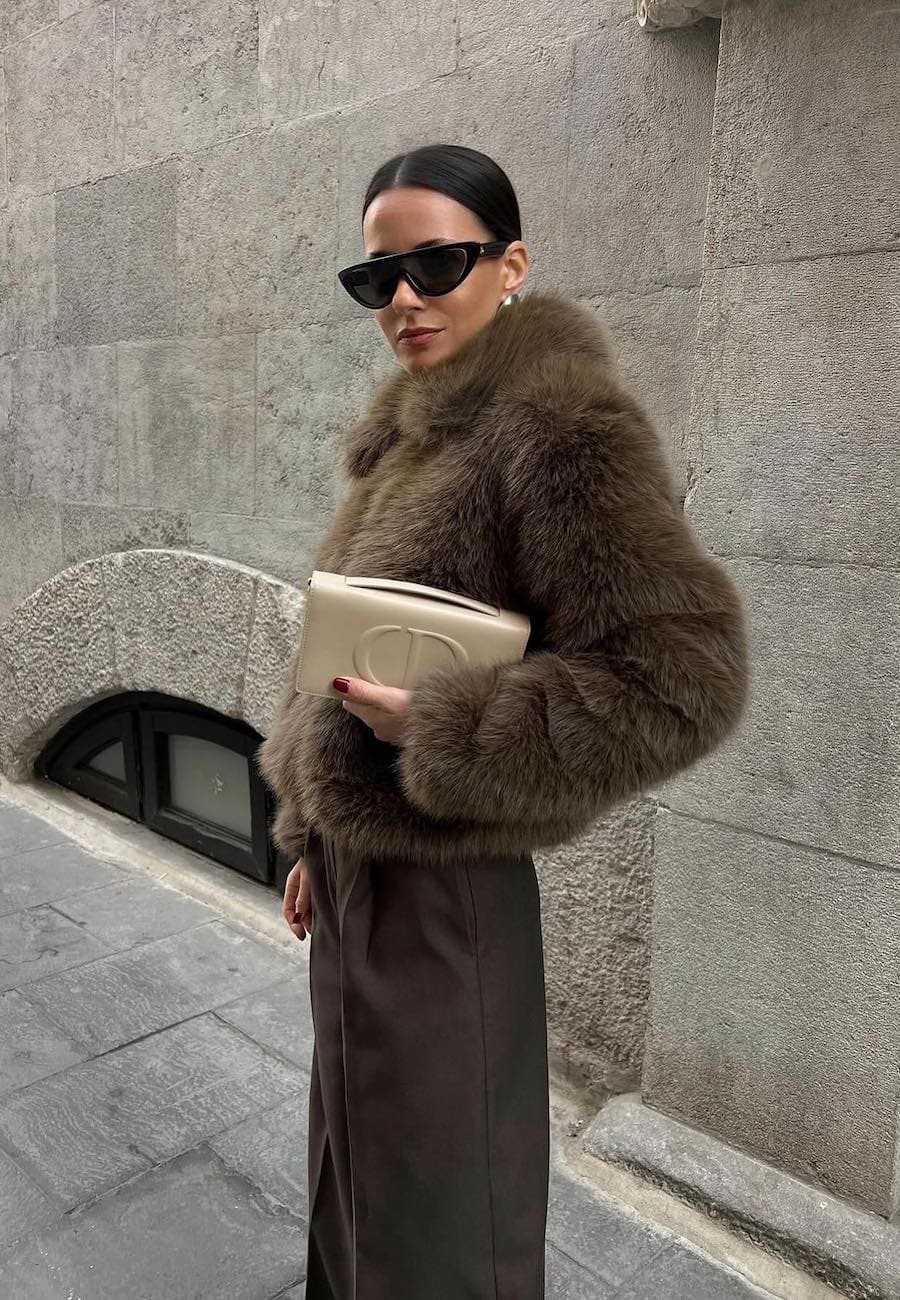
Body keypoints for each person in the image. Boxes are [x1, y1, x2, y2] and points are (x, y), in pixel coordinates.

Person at [256, 143, 750, 1300]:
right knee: (360, 1166)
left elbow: (683, 675)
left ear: (512, 263)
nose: (407, 299)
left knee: (442, 1210)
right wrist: (308, 834)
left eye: (437, 261)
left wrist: (448, 724)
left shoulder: (559, 425)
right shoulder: (422, 435)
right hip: (357, 873)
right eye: (379, 277)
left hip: (449, 888)